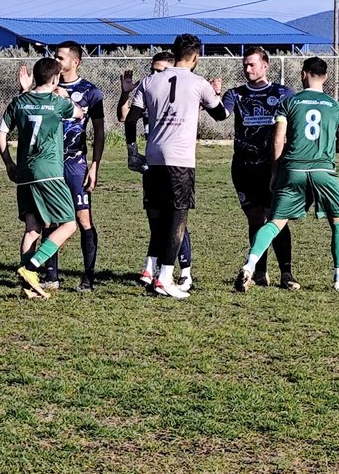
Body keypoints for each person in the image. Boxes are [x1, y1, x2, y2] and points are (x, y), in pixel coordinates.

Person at [122, 33, 226, 301]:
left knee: (158, 218)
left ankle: (153, 271)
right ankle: (166, 278)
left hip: (153, 158)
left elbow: (131, 120)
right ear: (195, 57)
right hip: (180, 160)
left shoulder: (149, 80)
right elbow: (221, 115)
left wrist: (132, 153)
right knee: (178, 218)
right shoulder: (198, 82)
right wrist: (215, 95)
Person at [235, 57, 339, 293]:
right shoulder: (338, 107)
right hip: (323, 170)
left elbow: (278, 139)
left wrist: (275, 171)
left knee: (275, 222)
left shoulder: (289, 103)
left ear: (303, 74)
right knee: (338, 222)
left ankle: (250, 265)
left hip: (293, 169)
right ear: (326, 77)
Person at [0, 56, 84, 300]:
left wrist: (8, 163)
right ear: (55, 78)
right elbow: (78, 114)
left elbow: (0, 134)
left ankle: (28, 288)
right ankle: (32, 267)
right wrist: (64, 95)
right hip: (49, 173)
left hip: (24, 173)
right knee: (68, 224)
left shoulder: (19, 102)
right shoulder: (57, 103)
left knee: (32, 228)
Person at [222, 46, 299, 289]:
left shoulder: (283, 93)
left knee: (277, 219)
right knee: (256, 219)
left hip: (273, 166)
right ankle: (259, 272)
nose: (247, 69)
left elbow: (295, 126)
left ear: (265, 66)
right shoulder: (235, 94)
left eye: (252, 64)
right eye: (245, 65)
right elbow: (221, 114)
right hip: (244, 168)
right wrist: (212, 97)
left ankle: (287, 273)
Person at [119, 47, 193, 283]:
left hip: (175, 160)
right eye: (152, 70)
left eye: (160, 70)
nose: (155, 74)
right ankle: (155, 269)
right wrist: (124, 95)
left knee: (175, 217)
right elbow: (125, 117)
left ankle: (183, 271)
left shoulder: (182, 89)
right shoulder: (150, 88)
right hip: (153, 161)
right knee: (157, 218)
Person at [41, 40, 106, 293]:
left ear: (75, 62)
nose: (55, 61)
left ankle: (88, 278)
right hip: (49, 164)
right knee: (50, 220)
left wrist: (94, 165)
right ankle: (51, 275)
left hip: (75, 163)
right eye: (54, 57)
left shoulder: (90, 91)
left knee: (83, 218)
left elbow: (99, 133)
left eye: (60, 58)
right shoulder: (45, 89)